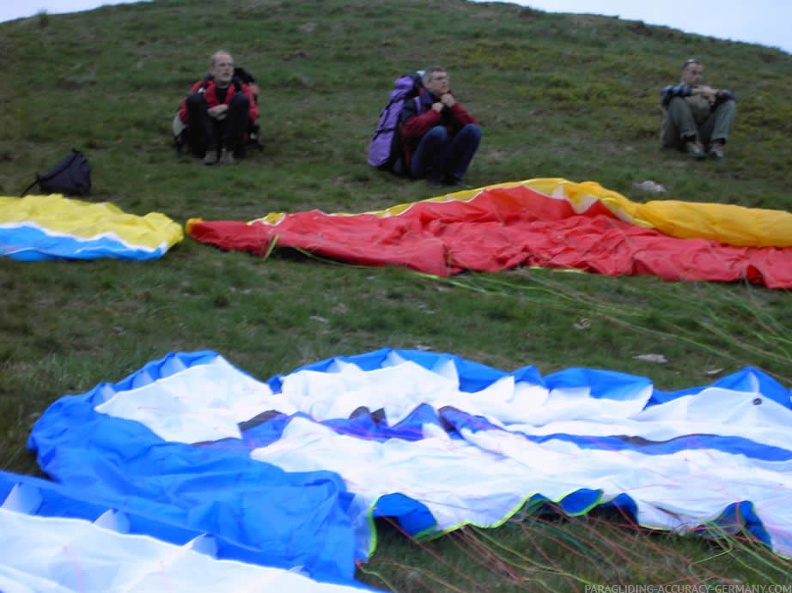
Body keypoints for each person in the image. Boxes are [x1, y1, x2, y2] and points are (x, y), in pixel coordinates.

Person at [399, 67, 482, 188]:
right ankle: (434, 178)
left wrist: (454, 107)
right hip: (419, 163)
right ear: (427, 84)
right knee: (438, 132)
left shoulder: (449, 102)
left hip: (445, 157)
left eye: (446, 78)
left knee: (473, 130)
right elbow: (408, 131)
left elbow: (473, 126)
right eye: (439, 79)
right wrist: (433, 114)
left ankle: (454, 177)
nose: (444, 81)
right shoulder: (414, 103)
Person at [177, 50, 259, 166]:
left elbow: (253, 115)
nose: (227, 69)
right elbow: (184, 115)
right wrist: (208, 113)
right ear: (212, 70)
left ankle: (228, 152)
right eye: (222, 65)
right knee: (194, 99)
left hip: (234, 143)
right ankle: (211, 150)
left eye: (230, 65)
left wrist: (228, 109)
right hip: (203, 142)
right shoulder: (200, 87)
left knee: (241, 100)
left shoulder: (242, 88)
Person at [660, 58, 736, 160]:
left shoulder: (707, 92)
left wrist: (715, 96)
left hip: (700, 137)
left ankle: (716, 145)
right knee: (676, 101)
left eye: (700, 74)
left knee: (728, 104)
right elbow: (667, 92)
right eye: (694, 73)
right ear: (684, 74)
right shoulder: (675, 90)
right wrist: (698, 91)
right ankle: (690, 141)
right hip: (675, 137)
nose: (698, 77)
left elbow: (731, 97)